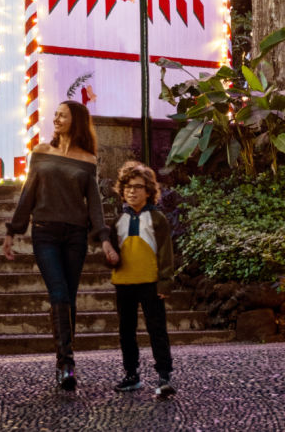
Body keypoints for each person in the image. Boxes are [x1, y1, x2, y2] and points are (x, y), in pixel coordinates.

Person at [2, 100, 118, 391]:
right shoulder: (41, 153)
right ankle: (66, 363)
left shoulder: (88, 159)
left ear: (75, 121)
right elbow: (28, 193)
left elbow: (94, 204)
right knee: (59, 292)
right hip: (45, 234)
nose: (56, 119)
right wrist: (13, 230)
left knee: (69, 296)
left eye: (62, 116)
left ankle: (64, 359)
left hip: (75, 236)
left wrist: (103, 239)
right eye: (55, 115)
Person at [108, 161, 177, 397]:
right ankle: (131, 374)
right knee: (126, 331)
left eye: (138, 187)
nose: (132, 191)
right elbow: (110, 252)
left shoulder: (157, 219)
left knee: (157, 329)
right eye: (127, 186)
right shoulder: (118, 221)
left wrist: (165, 281)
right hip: (124, 283)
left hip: (150, 282)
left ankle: (164, 375)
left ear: (148, 191)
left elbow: (166, 252)